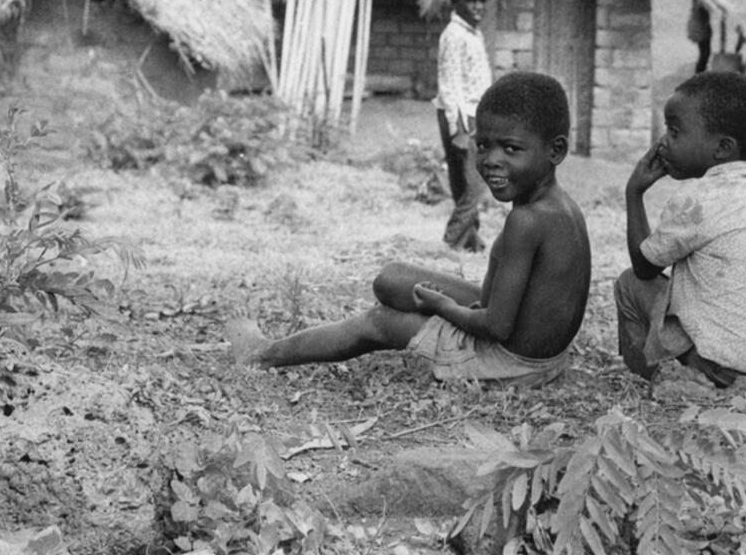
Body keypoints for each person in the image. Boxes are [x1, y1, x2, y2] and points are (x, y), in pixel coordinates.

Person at [227, 72, 592, 389]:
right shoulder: (561, 207)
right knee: (393, 279)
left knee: (378, 322)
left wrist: (443, 306)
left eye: (511, 148)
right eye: (483, 145)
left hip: (510, 362)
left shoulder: (526, 221)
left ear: (555, 150)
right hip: (534, 345)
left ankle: (262, 355)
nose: (491, 160)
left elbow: (495, 326)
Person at [615, 70, 746, 388]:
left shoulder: (698, 200)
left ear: (722, 148)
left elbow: (644, 268)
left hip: (721, 369)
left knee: (629, 284)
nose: (662, 142)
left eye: (675, 131)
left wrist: (634, 193)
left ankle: (653, 382)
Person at [435, 0, 493, 252]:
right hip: (461, 118)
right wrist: (457, 129)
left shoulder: (473, 33)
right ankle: (448, 244)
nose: (479, 7)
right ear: (455, 1)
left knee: (465, 184)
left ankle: (471, 241)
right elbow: (450, 86)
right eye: (472, 1)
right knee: (475, 186)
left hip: (474, 116)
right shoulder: (454, 35)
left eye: (483, 1)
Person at [686, 0, 719, 74]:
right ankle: (698, 77)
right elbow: (702, 5)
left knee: (705, 52)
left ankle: (699, 76)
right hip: (699, 24)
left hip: (699, 23)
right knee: (705, 53)